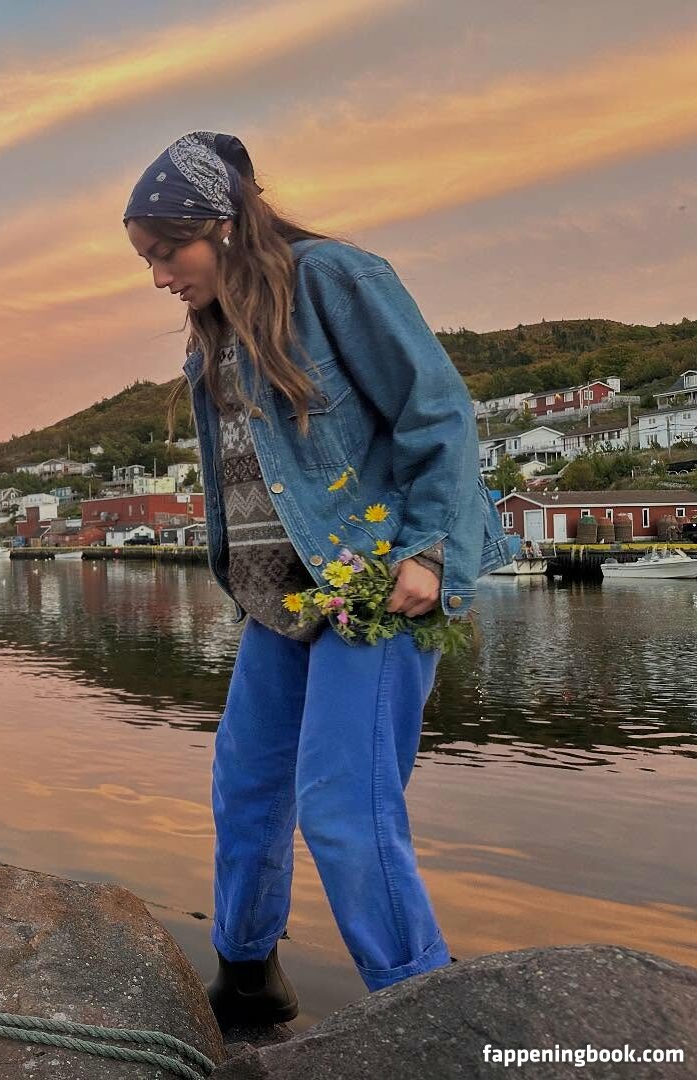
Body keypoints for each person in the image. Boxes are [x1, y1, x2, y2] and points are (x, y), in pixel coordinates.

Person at [121, 132, 516, 1025]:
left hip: (377, 585)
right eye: (146, 259)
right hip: (284, 601)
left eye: (167, 252)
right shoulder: (212, 340)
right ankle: (248, 977)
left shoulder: (333, 279)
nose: (159, 276)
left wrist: (427, 551)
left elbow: (438, 413)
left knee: (344, 805)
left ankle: (422, 1010)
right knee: (245, 789)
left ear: (223, 224)